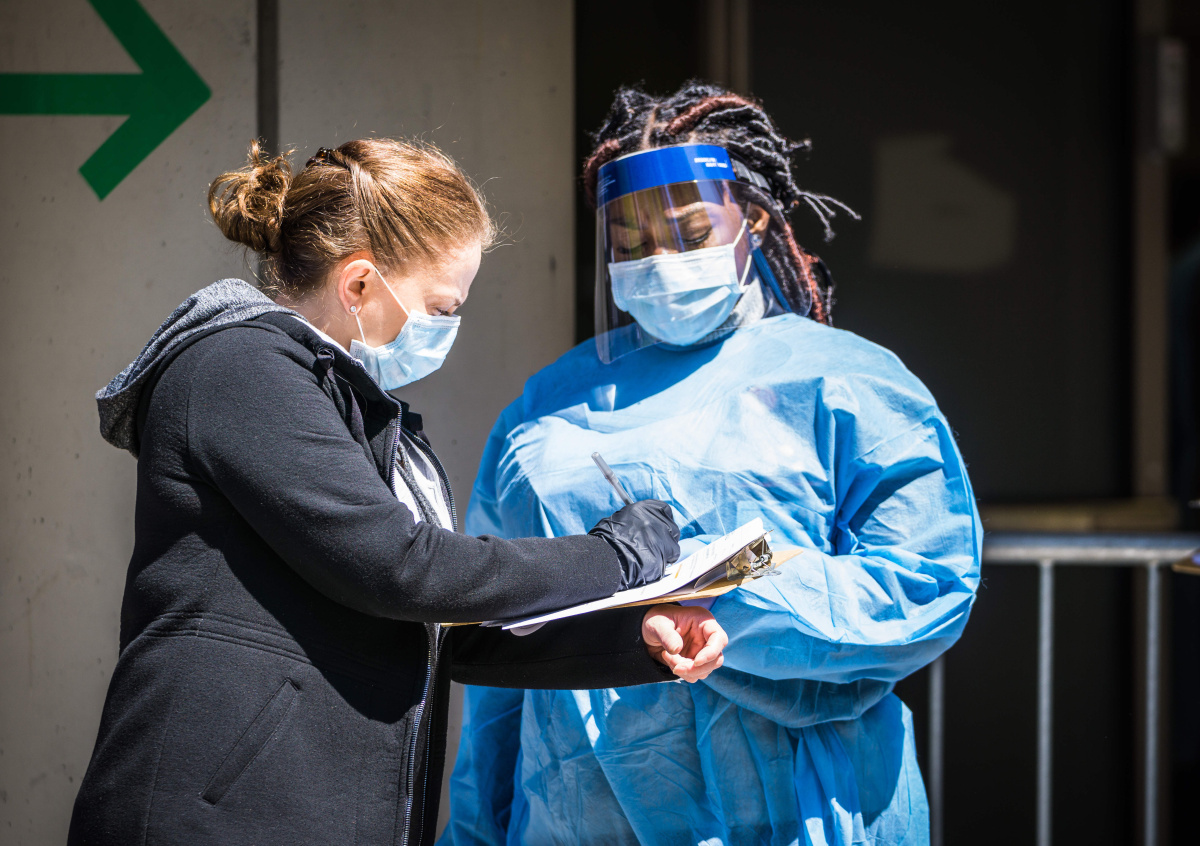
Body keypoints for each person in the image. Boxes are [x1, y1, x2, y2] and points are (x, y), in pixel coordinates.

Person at [68, 138, 728, 846]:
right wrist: (616, 558)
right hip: (218, 819)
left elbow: (433, 626)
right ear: (358, 284)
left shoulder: (358, 409)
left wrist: (638, 636)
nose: (446, 330)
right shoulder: (240, 367)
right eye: (441, 308)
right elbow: (404, 567)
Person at [441, 83, 982, 845]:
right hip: (576, 811)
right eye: (631, 244)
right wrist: (474, 829)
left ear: (752, 218)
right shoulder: (548, 407)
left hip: (796, 806)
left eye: (691, 231)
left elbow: (926, 586)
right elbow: (498, 642)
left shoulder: (845, 381)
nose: (660, 261)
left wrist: (727, 597)